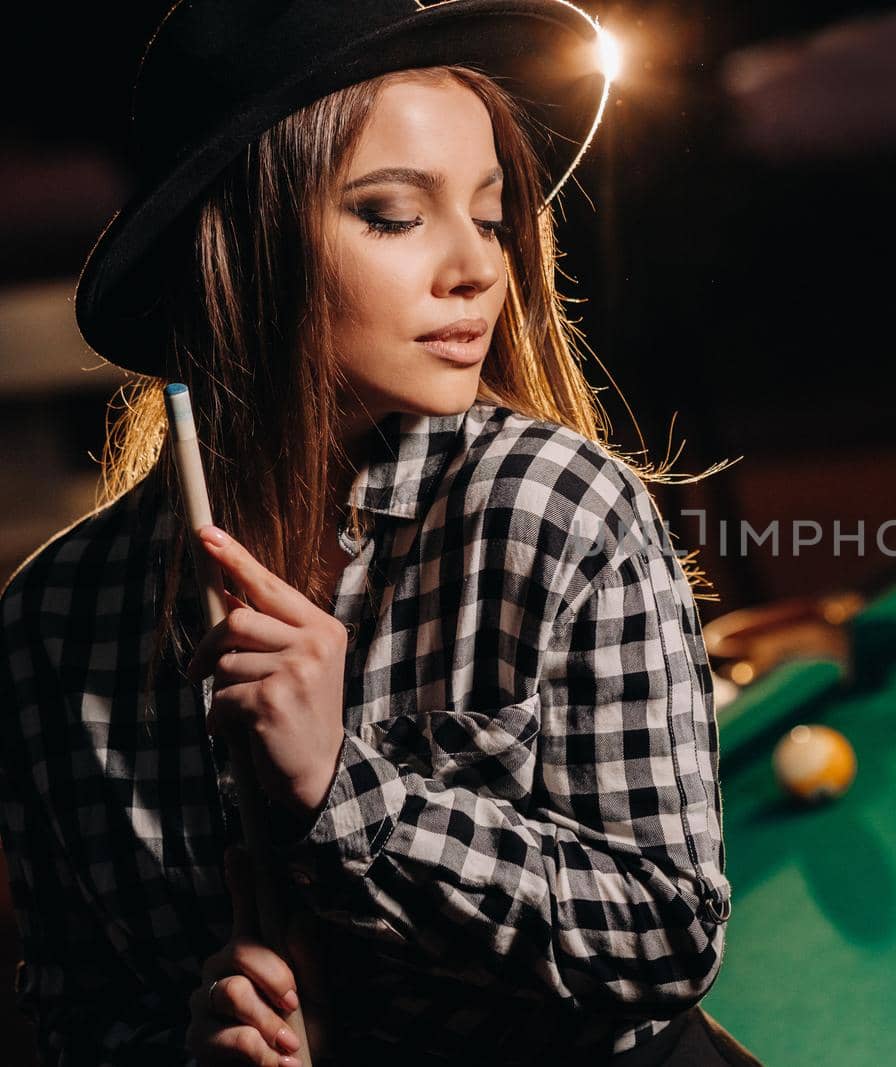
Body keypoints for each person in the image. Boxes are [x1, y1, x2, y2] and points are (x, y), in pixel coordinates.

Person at [0, 1, 759, 1063]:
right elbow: (77, 1011)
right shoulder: (49, 623)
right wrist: (190, 1050)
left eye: (491, 216)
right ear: (239, 245)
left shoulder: (561, 510)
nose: (477, 267)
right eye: (396, 214)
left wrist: (339, 789)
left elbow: (665, 929)